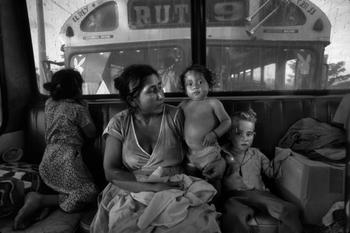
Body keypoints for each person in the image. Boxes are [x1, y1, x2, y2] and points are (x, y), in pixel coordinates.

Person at [90, 64, 224, 233]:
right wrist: (153, 187)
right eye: (152, 90)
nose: (161, 95)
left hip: (174, 186)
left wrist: (220, 162)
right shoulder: (119, 123)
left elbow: (202, 144)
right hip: (133, 188)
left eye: (160, 87)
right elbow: (111, 171)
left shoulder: (176, 115)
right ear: (133, 100)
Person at [13, 68, 99, 230]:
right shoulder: (78, 109)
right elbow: (91, 132)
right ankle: (40, 200)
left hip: (47, 158)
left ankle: (45, 203)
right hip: (67, 160)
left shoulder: (49, 103)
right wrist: (86, 109)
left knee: (71, 189)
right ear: (77, 89)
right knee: (90, 193)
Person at [221, 109, 302, 233]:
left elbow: (271, 172)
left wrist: (280, 157)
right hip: (233, 196)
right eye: (239, 133)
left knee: (289, 209)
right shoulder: (223, 154)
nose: (245, 138)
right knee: (235, 215)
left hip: (259, 194)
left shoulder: (257, 154)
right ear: (229, 135)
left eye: (249, 134)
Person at [179, 64, 231, 191]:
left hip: (209, 152)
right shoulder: (183, 105)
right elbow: (175, 122)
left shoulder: (213, 103)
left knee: (214, 180)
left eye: (200, 82)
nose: (195, 86)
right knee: (191, 182)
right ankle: (198, 201)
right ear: (185, 89)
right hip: (190, 154)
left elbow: (226, 121)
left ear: (209, 84)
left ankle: (217, 204)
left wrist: (215, 134)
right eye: (190, 84)